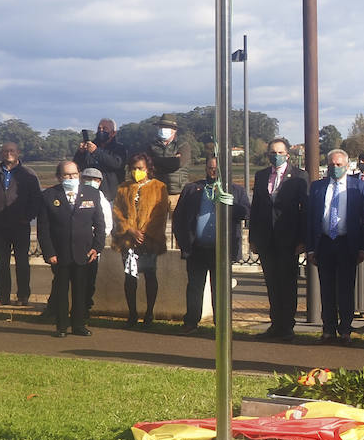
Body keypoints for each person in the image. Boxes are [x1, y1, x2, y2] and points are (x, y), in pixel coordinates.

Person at [173, 157, 251, 335]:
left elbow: (246, 213)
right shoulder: (192, 189)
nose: (213, 171)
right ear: (206, 169)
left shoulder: (236, 190)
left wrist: (229, 204)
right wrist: (183, 241)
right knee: (194, 287)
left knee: (220, 289)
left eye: (217, 168)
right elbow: (178, 217)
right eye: (210, 168)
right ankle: (191, 322)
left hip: (222, 250)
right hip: (197, 248)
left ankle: (222, 324)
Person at [307, 149, 364, 345]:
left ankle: (345, 330)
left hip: (346, 243)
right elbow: (309, 219)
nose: (335, 168)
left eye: (339, 165)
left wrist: (363, 247)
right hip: (324, 242)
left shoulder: (358, 187)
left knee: (346, 288)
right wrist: (310, 248)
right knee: (326, 288)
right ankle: (328, 330)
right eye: (332, 164)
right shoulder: (317, 187)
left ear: (347, 166)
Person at [250, 138, 308, 342]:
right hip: (266, 239)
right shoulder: (261, 175)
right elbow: (255, 207)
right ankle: (275, 324)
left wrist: (302, 239)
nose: (276, 155)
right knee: (272, 283)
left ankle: (287, 326)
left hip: (289, 239)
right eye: (272, 152)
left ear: (288, 154)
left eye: (280, 152)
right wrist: (253, 238)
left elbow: (305, 211)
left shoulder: (300, 177)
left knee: (288, 283)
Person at [38, 160, 104, 337]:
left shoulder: (92, 193)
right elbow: (43, 229)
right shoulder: (49, 195)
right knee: (61, 291)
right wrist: (49, 252)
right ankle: (61, 326)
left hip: (84, 252)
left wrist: (97, 248)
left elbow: (99, 224)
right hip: (60, 254)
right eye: (67, 175)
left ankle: (79, 325)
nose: (71, 178)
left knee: (81, 291)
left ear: (79, 175)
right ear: (59, 177)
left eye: (74, 174)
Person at [0, 142, 42, 306]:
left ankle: (23, 296)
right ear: (1, 153)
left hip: (20, 225)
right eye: (6, 151)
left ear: (18, 153)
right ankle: (3, 296)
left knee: (22, 262)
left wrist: (27, 217)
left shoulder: (28, 174)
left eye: (12, 151)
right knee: (1, 263)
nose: (9, 153)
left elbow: (36, 199)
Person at [112, 153, 169, 328]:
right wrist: (130, 230)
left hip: (149, 241)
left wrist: (144, 233)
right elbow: (117, 212)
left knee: (150, 275)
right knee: (130, 277)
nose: (137, 171)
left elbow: (160, 214)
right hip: (128, 241)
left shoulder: (159, 187)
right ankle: (132, 313)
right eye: (134, 168)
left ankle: (149, 313)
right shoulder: (123, 188)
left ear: (148, 169)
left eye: (140, 168)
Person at [79, 168, 113, 313]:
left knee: (89, 279)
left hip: (92, 245)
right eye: (87, 178)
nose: (91, 182)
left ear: (100, 182)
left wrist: (96, 243)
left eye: (96, 179)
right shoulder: (75, 194)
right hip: (74, 243)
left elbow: (106, 224)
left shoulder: (100, 198)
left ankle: (85, 307)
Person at [74, 118, 127, 201]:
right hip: (89, 193)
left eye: (105, 129)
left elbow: (117, 164)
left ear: (113, 133)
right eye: (99, 129)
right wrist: (81, 153)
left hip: (112, 194)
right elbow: (77, 167)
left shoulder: (119, 148)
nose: (101, 131)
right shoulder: (90, 147)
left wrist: (96, 152)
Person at [149, 115, 191, 199]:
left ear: (174, 130)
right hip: (157, 193)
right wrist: (171, 160)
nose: (162, 129)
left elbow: (178, 164)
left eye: (166, 127)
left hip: (178, 193)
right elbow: (148, 164)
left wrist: (156, 162)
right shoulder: (151, 146)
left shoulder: (183, 145)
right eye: (161, 127)